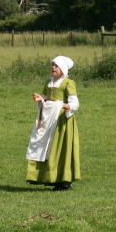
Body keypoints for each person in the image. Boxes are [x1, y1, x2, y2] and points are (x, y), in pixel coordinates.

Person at [26, 56, 80, 191]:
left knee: (59, 147)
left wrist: (69, 106)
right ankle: (45, 176)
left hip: (61, 119)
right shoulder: (48, 82)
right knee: (43, 145)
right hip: (48, 118)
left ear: (63, 68)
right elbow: (46, 99)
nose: (53, 67)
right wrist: (40, 100)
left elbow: (74, 101)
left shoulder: (67, 83)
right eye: (52, 65)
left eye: (56, 66)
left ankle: (63, 181)